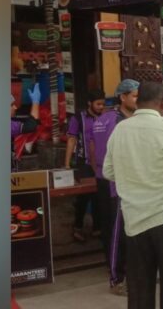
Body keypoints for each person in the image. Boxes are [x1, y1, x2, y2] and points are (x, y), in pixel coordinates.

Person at [103, 82, 163, 309]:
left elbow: (108, 171)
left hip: (134, 221)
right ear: (162, 104)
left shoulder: (121, 129)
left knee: (140, 290)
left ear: (138, 102)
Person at [91, 79, 139, 296]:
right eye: (135, 96)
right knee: (117, 234)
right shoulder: (114, 121)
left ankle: (129, 275)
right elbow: (108, 154)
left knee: (126, 232)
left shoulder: (121, 119)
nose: (138, 100)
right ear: (123, 97)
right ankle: (117, 280)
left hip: (123, 182)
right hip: (115, 184)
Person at [64, 89, 105, 242]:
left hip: (101, 163)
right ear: (89, 103)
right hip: (84, 163)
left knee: (98, 196)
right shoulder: (78, 118)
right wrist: (67, 164)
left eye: (103, 103)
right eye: (98, 104)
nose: (101, 107)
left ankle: (97, 228)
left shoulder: (106, 117)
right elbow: (71, 140)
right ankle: (78, 227)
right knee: (83, 197)